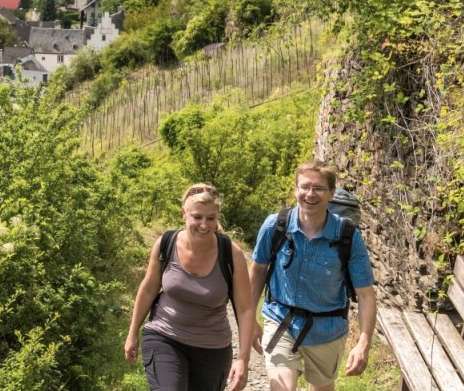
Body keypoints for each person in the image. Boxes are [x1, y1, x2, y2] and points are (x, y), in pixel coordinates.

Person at [249, 161, 377, 391]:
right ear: (295, 190)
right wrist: (249, 321)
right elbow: (258, 271)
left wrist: (363, 344)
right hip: (281, 320)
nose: (310, 194)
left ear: (330, 193)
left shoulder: (347, 235)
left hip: (327, 329)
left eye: (318, 188)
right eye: (304, 187)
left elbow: (366, 295)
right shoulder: (275, 226)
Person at [125, 183, 257, 390]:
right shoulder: (165, 244)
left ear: (217, 219)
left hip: (212, 348)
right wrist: (132, 332)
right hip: (165, 336)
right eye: (197, 217)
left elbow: (245, 308)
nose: (204, 225)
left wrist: (243, 360)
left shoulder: (232, 254)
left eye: (210, 218)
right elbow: (149, 288)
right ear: (184, 215)